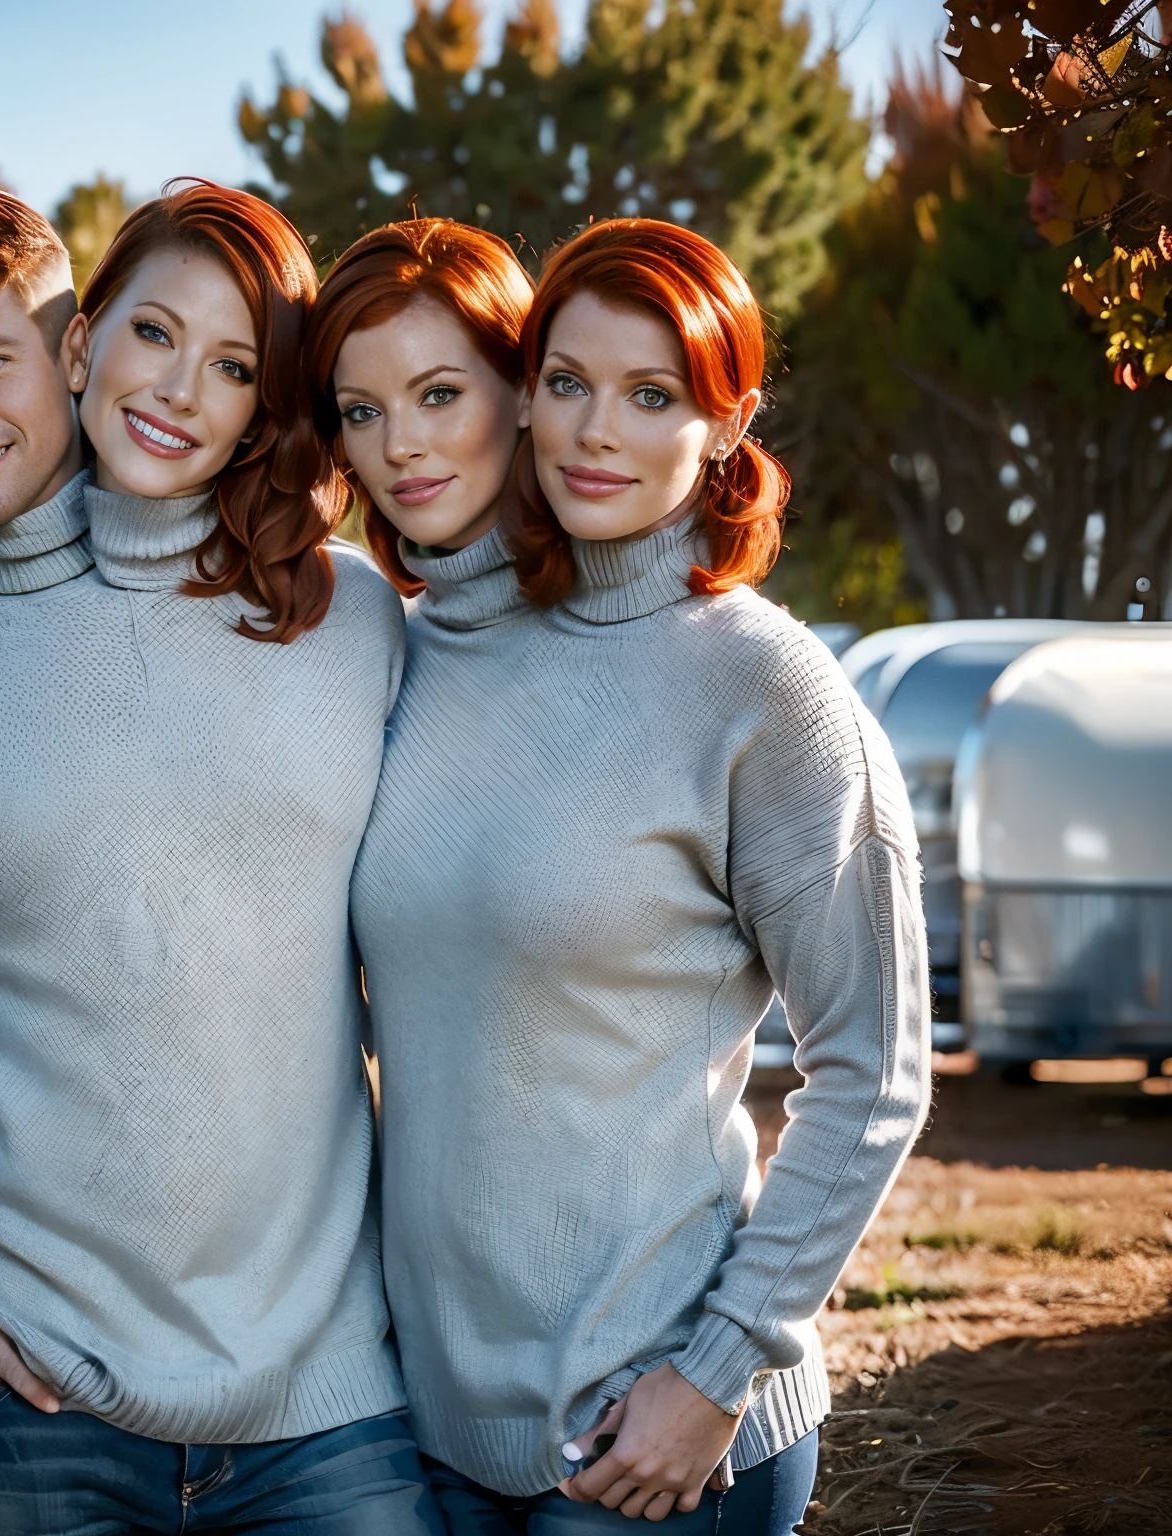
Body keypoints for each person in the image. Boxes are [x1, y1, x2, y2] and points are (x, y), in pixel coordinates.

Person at [0, 182, 442, 1535]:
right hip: (26, 1417)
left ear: (60, 348)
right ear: (103, 352)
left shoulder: (348, 622)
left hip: (331, 1410)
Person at [350, 217, 930, 1533]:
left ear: (728, 426)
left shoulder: (765, 687)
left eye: (653, 394)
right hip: (431, 1428)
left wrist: (720, 1372)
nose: (595, 431)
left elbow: (875, 1071)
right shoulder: (425, 657)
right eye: (567, 383)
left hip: (653, 1434)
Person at [304, 219, 532, 596]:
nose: (397, 447)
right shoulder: (372, 630)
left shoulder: (647, 632)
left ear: (527, 388)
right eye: (362, 411)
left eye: (439, 395)